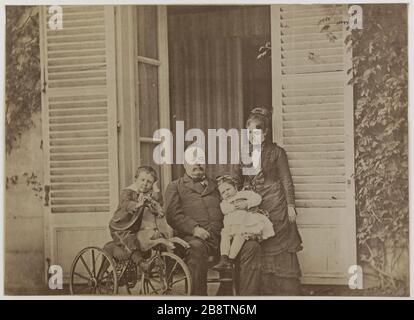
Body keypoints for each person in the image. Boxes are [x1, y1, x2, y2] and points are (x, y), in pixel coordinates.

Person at [165, 147, 262, 295]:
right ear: (184, 164)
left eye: (201, 161)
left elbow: (234, 201)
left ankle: (246, 299)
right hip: (195, 238)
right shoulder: (175, 186)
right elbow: (172, 215)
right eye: (193, 161)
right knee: (196, 247)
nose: (197, 165)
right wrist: (194, 229)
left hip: (224, 236)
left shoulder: (217, 185)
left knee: (252, 246)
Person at [232, 107, 303, 296]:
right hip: (253, 204)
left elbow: (286, 180)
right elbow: (236, 181)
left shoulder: (277, 152)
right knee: (256, 243)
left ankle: (282, 292)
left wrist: (290, 205)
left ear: (264, 133)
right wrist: (236, 200)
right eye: (248, 132)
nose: (252, 136)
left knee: (278, 245)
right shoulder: (243, 153)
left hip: (276, 203)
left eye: (256, 131)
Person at [107, 166, 173, 268]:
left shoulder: (148, 195)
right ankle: (142, 264)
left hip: (135, 227)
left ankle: (166, 264)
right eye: (142, 180)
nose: (145, 183)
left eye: (149, 182)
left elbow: (159, 202)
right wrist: (136, 205)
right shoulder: (128, 192)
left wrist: (155, 190)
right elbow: (125, 203)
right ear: (135, 180)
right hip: (121, 227)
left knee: (154, 236)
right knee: (130, 241)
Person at [213, 175, 275, 271]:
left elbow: (257, 198)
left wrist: (246, 204)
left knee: (240, 235)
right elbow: (224, 210)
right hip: (231, 226)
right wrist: (233, 207)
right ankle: (224, 258)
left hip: (244, 224)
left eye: (228, 189)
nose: (226, 193)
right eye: (223, 192)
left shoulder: (244, 194)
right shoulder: (224, 202)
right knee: (224, 234)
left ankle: (231, 259)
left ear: (235, 187)